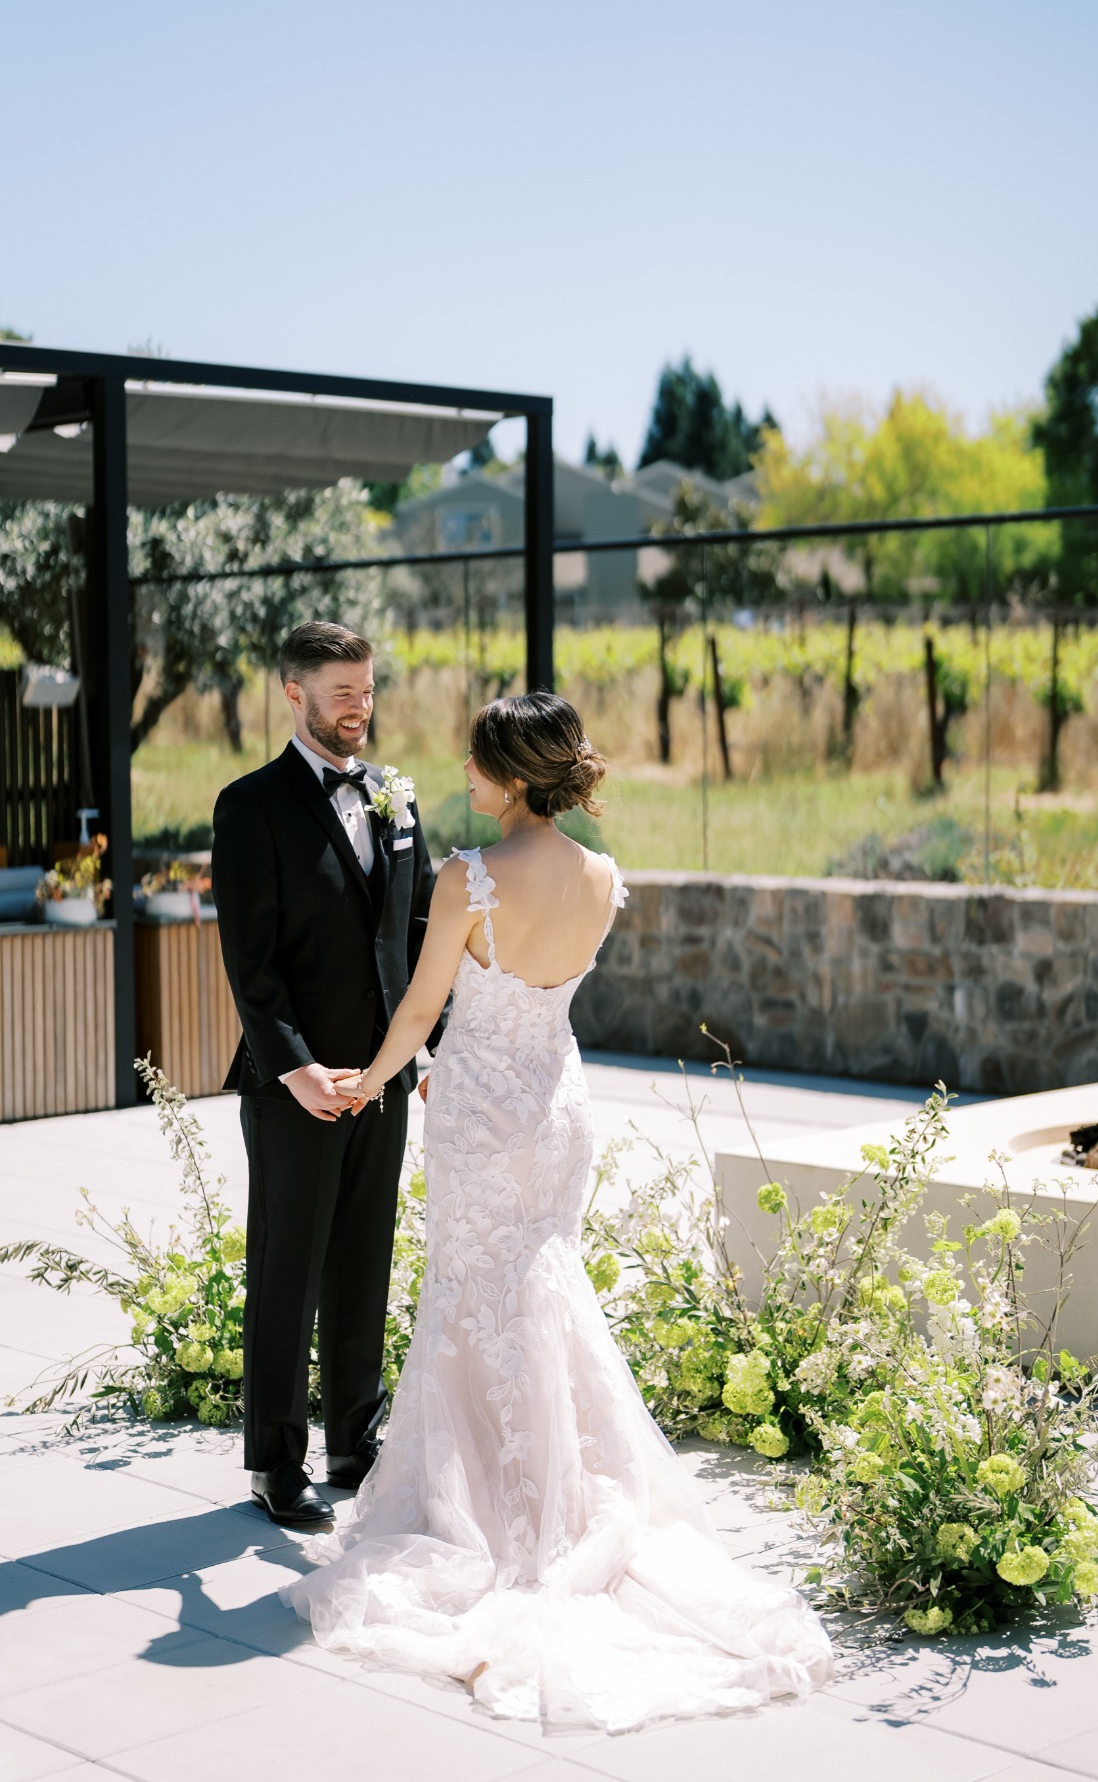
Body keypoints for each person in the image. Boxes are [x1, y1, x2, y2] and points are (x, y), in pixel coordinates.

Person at [284, 691, 832, 1732]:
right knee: (540, 1282)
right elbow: (541, 993)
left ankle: (496, 1515)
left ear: (516, 777)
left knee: (472, 1294)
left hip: (483, 1111)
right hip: (558, 1105)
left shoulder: (468, 876)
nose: (465, 781)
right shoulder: (602, 874)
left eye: (477, 767)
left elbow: (419, 1007)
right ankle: (563, 1492)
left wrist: (369, 1081)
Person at [210, 621, 439, 1529]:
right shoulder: (250, 805)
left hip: (382, 1078)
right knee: (286, 1268)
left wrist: (422, 1052)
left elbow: (420, 935)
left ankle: (356, 1440)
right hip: (294, 1086)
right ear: (292, 693)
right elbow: (248, 962)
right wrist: (296, 1067)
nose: (359, 708)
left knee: (363, 1261)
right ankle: (276, 1462)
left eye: (368, 690)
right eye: (341, 692)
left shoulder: (396, 796)